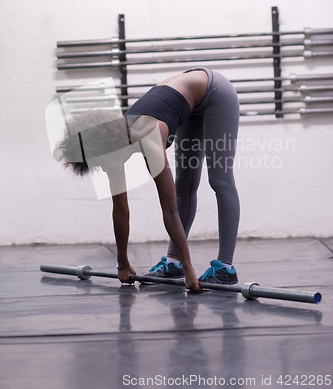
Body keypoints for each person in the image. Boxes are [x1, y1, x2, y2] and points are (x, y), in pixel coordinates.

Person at [55, 67, 240, 293]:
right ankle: (174, 263)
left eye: (100, 161)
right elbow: (120, 210)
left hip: (214, 92)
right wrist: (122, 263)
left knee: (220, 180)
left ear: (109, 147)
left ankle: (226, 268)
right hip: (189, 100)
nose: (102, 168)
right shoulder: (113, 148)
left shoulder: (148, 136)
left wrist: (191, 271)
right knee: (184, 185)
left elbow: (169, 211)